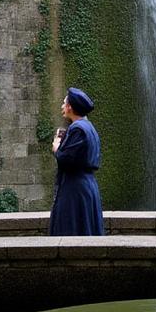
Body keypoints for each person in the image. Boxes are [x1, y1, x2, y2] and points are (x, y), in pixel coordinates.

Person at [49, 87, 105, 236]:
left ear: (70, 107)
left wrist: (56, 147)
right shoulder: (88, 127)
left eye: (64, 103)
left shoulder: (78, 129)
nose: (62, 106)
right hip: (85, 185)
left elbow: (66, 160)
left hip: (75, 189)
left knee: (72, 230)